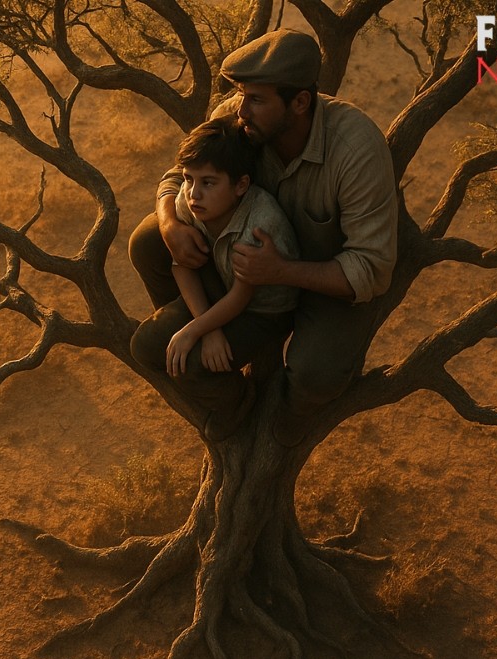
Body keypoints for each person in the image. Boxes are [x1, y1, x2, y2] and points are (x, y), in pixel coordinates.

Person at [129, 28, 398, 445]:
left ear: (300, 102)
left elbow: (371, 270)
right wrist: (170, 224)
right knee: (149, 240)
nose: (241, 111)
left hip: (326, 280)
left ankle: (282, 426)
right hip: (243, 267)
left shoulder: (356, 150)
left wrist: (281, 270)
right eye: (241, 96)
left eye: (256, 99)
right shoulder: (239, 117)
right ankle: (206, 333)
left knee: (316, 376)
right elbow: (176, 176)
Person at [129, 117, 299, 441]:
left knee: (193, 367)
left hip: (261, 310)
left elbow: (242, 297)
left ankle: (237, 401)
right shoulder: (190, 201)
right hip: (219, 281)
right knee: (144, 347)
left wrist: (198, 330)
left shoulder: (259, 227)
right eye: (189, 179)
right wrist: (207, 329)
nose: (194, 193)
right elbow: (182, 264)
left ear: (240, 185)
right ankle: (186, 328)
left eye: (208, 183)